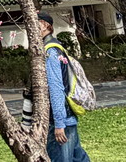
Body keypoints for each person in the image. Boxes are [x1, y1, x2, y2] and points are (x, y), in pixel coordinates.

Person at [38, 11, 91, 162]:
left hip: (61, 121)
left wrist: (59, 124)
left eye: (35, 24)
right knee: (78, 157)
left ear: (45, 26)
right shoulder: (57, 47)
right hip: (68, 118)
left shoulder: (50, 52)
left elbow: (56, 89)